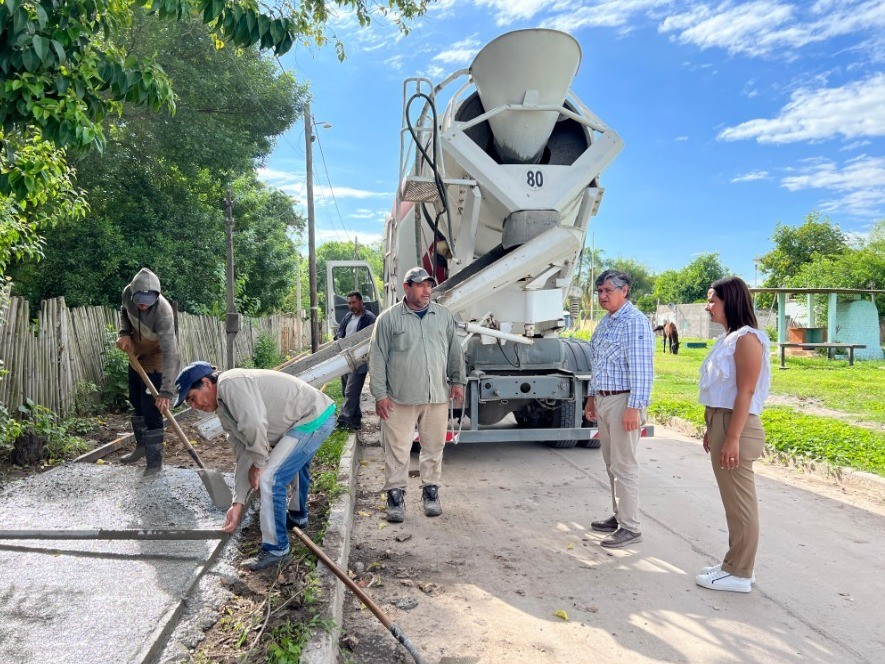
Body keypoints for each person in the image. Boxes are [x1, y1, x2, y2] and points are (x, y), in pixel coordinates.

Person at [173, 362, 335, 571]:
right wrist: (237, 502)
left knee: (270, 478)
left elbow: (256, 425)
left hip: (313, 417)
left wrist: (260, 464)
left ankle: (277, 550)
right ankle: (297, 516)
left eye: (192, 398)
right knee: (291, 462)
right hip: (306, 418)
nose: (194, 406)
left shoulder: (230, 384)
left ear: (206, 383)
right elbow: (242, 454)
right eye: (189, 403)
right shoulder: (223, 409)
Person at [368, 266, 465, 522]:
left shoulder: (442, 316)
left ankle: (431, 492)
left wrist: (457, 381)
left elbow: (454, 351)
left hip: (436, 397)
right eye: (420, 285)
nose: (426, 290)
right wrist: (379, 394)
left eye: (429, 285)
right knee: (397, 449)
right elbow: (377, 358)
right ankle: (395, 496)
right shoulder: (388, 320)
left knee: (434, 447)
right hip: (398, 398)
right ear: (407, 287)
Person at [695, 276, 770, 593]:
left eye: (713, 300)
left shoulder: (747, 339)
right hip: (721, 421)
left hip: (736, 424)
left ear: (732, 301)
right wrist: (710, 426)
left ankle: (739, 572)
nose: (708, 306)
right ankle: (736, 564)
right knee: (732, 502)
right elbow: (718, 389)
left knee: (740, 503)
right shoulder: (729, 337)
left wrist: (733, 437)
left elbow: (746, 392)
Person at [583, 269, 654, 548]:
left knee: (624, 465)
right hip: (604, 399)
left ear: (624, 291)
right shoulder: (606, 323)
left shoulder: (634, 322)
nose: (602, 296)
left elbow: (642, 369)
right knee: (612, 464)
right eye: (599, 291)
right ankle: (619, 515)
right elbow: (597, 364)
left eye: (608, 291)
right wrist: (591, 397)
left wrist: (634, 408)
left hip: (624, 401)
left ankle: (631, 527)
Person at [116, 268, 180, 476]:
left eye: (147, 300)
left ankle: (154, 462)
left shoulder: (163, 312)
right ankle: (141, 447)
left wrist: (166, 392)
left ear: (156, 296)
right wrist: (124, 333)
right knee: (136, 399)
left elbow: (171, 353)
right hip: (136, 350)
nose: (142, 304)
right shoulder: (128, 294)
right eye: (139, 299)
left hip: (158, 354)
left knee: (151, 407)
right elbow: (124, 312)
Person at [334, 291, 376, 430]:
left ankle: (344, 421)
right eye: (349, 303)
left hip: (359, 361)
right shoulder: (348, 317)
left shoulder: (369, 318)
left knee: (350, 392)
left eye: (354, 302)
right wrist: (339, 341)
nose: (351, 305)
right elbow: (340, 333)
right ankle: (356, 420)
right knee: (348, 391)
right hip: (345, 359)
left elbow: (371, 339)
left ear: (361, 302)